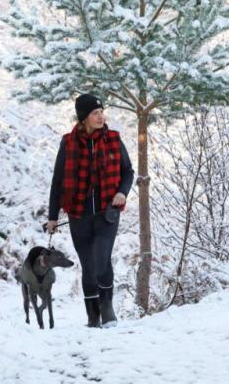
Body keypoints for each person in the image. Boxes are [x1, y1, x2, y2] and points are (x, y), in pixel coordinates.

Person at [47, 93, 134, 328]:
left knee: (101, 259)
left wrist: (122, 192)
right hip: (78, 215)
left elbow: (128, 171)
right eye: (95, 113)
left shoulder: (114, 140)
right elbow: (57, 181)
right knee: (87, 264)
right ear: (84, 117)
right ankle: (92, 315)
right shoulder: (68, 143)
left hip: (107, 213)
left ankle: (107, 307)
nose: (101, 116)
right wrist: (53, 217)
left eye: (101, 112)